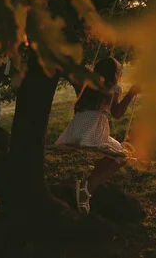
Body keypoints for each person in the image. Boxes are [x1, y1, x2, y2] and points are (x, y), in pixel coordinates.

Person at [55, 57, 140, 214]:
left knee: (115, 153)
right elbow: (117, 113)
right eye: (119, 71)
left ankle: (86, 188)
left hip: (76, 131)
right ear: (114, 74)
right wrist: (130, 94)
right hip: (93, 133)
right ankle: (88, 188)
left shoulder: (89, 85)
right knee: (122, 157)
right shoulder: (115, 88)